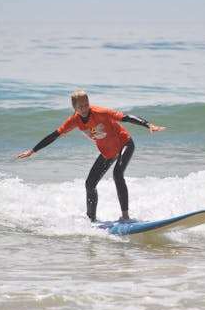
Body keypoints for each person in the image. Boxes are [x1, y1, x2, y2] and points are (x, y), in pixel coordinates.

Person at [16, 90, 166, 222]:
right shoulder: (74, 120)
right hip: (107, 152)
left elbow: (125, 117)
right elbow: (54, 135)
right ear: (74, 107)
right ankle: (91, 220)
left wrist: (148, 125)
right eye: (80, 106)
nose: (84, 108)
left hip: (124, 143)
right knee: (90, 184)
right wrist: (32, 151)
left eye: (86, 104)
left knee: (118, 174)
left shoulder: (100, 112)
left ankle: (125, 216)